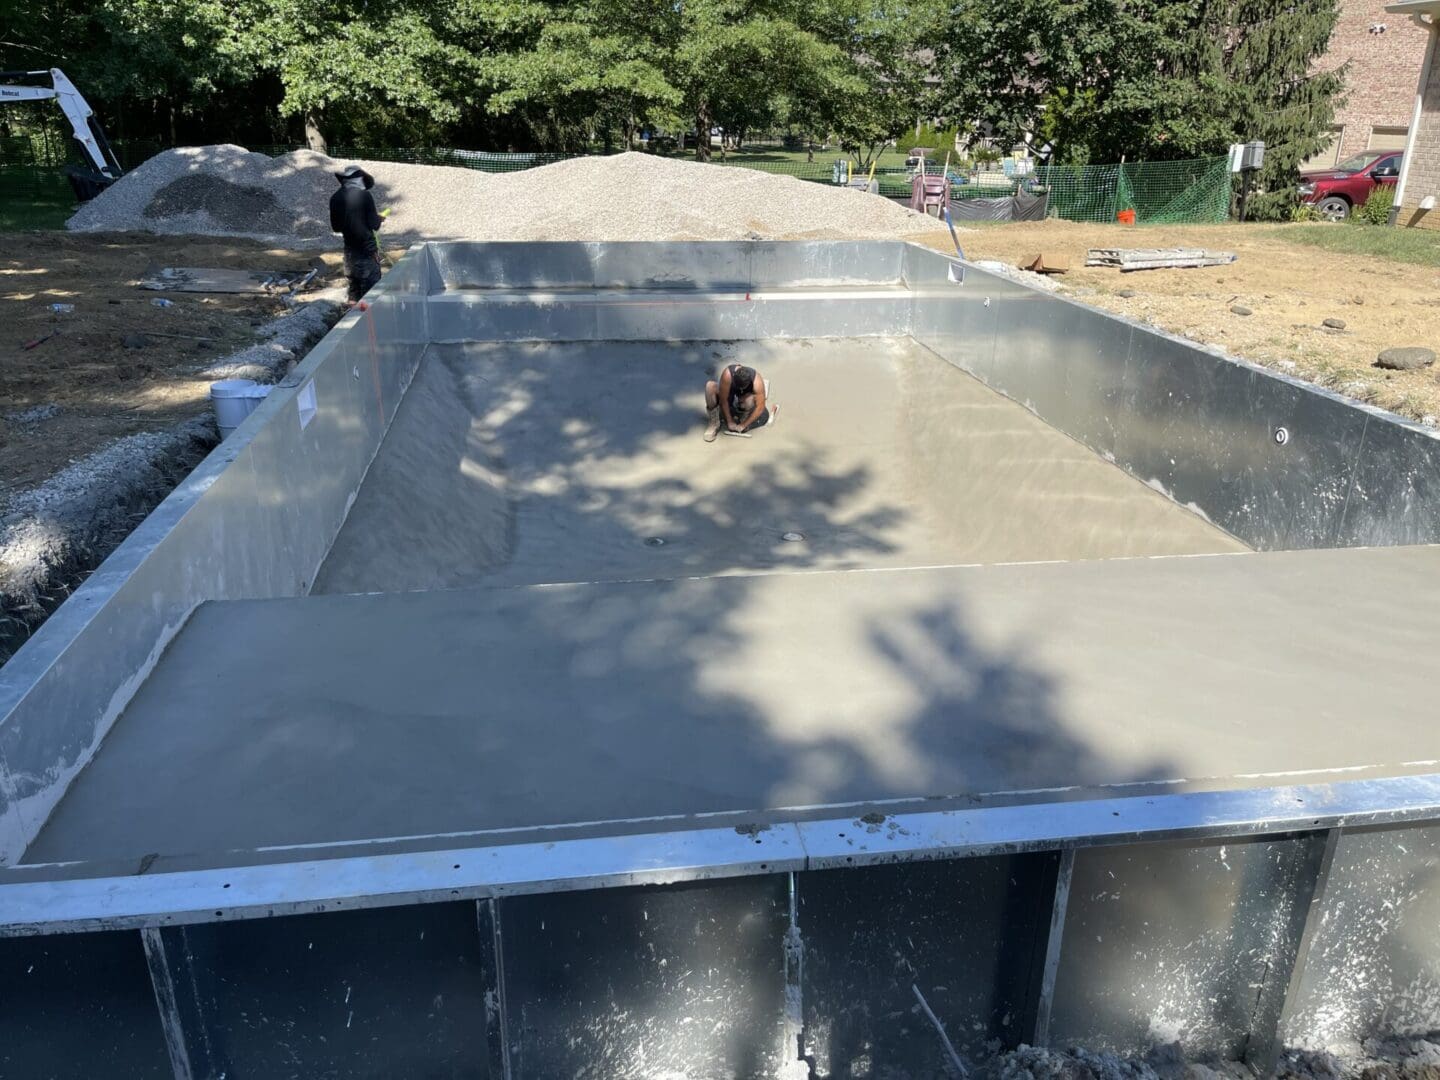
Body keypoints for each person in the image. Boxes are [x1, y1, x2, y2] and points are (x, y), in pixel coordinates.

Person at [329, 165, 383, 304]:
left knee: (354, 293)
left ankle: (351, 322)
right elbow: (374, 224)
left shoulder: (335, 198)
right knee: (371, 298)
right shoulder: (364, 195)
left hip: (349, 254)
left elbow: (336, 227)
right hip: (367, 251)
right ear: (360, 179)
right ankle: (370, 325)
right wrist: (379, 218)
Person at [704, 363, 776, 442]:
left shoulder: (757, 381)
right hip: (730, 395)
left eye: (742, 387)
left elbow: (760, 407)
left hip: (745, 400)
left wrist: (744, 424)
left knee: (751, 399)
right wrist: (730, 421)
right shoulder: (728, 374)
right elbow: (723, 400)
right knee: (710, 387)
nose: (740, 388)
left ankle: (744, 417)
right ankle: (714, 424)